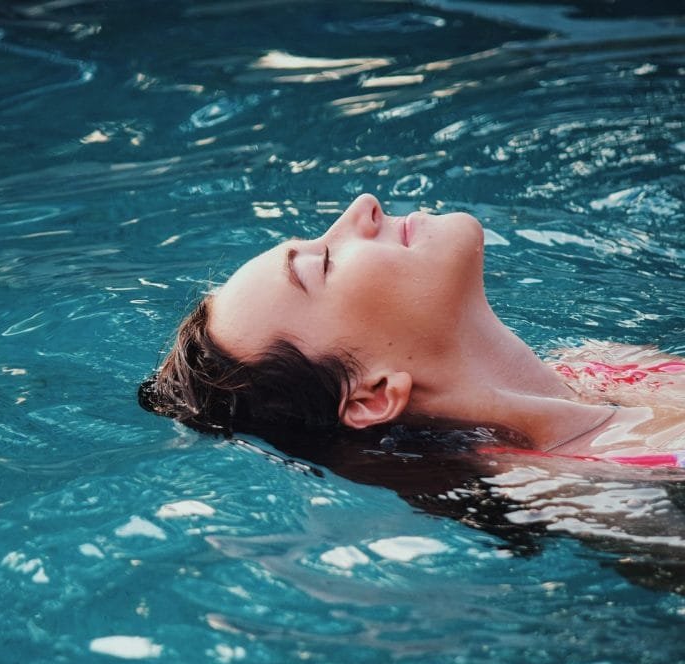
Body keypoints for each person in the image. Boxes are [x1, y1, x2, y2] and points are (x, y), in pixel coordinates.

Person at [139, 194, 685, 468]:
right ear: (375, 395)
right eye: (323, 264)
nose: (362, 207)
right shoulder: (592, 487)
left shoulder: (605, 362)